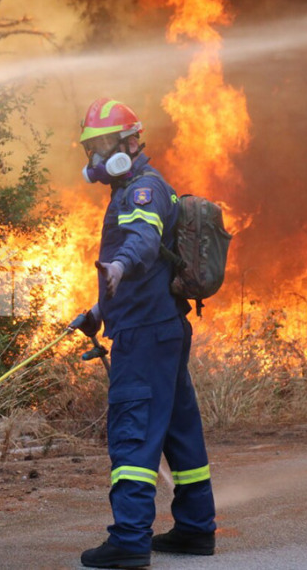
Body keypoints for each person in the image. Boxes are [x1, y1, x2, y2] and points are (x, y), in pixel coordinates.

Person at [69, 98, 216, 568]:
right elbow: (148, 267)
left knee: (132, 431)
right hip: (161, 327)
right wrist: (98, 309)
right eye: (90, 148)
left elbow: (142, 241)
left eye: (102, 146)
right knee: (179, 430)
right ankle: (195, 529)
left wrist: (118, 265)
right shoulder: (136, 188)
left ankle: (130, 540)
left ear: (131, 143)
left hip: (145, 334)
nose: (95, 158)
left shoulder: (141, 193)